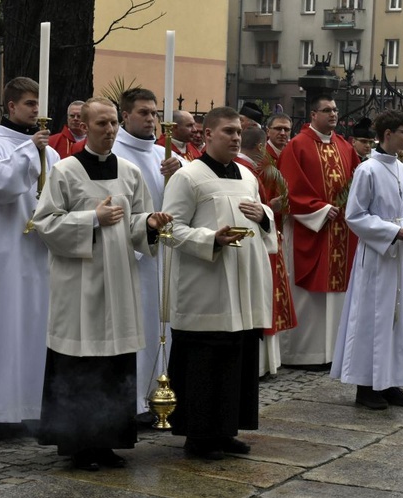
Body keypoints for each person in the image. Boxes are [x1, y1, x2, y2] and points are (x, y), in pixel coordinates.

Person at [33, 97, 172, 471]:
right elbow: (44, 225)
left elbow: (136, 222)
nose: (109, 131)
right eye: (101, 125)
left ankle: (109, 441)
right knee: (81, 364)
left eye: (112, 124)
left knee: (113, 365)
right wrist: (91, 218)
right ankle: (80, 445)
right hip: (79, 283)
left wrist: (149, 225)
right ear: (85, 127)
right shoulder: (65, 171)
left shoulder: (129, 172)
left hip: (118, 280)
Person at [162, 106, 276, 460]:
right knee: (204, 362)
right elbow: (169, 228)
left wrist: (266, 216)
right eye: (228, 131)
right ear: (207, 134)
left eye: (239, 132)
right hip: (206, 285)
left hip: (243, 284)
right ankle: (198, 436)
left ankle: (226, 430)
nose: (236, 137)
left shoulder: (247, 175)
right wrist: (211, 239)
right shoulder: (188, 176)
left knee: (236, 359)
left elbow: (263, 217)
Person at [0, 77, 59, 441]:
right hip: (3, 249)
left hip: (40, 249)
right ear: (11, 107)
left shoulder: (51, 151)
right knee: (2, 323)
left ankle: (33, 407)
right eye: (30, 103)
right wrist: (27, 151)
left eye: (39, 104)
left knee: (37, 323)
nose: (36, 110)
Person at [331, 110, 403, 410]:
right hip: (376, 255)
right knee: (372, 317)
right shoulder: (367, 170)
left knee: (396, 319)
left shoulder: (402, 169)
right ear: (388, 134)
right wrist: (394, 231)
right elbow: (354, 215)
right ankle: (366, 385)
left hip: (397, 255)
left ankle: (390, 381)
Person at [111, 88, 183, 421]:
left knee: (164, 324)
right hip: (135, 255)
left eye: (154, 112)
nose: (151, 119)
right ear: (124, 115)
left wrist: (180, 168)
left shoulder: (164, 155)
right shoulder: (113, 153)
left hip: (166, 257)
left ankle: (163, 392)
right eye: (143, 112)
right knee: (138, 325)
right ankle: (136, 400)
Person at [277, 95, 360, 369]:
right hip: (309, 229)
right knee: (308, 298)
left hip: (341, 232)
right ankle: (304, 355)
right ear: (313, 115)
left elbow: (356, 182)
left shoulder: (345, 147)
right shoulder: (296, 146)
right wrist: (321, 210)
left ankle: (333, 354)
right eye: (326, 110)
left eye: (335, 110)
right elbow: (289, 189)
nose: (333, 114)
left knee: (336, 297)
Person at [236, 127, 297, 377]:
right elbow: (257, 209)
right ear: (261, 147)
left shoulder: (245, 169)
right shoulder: (247, 171)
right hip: (257, 245)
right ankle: (261, 365)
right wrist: (271, 208)